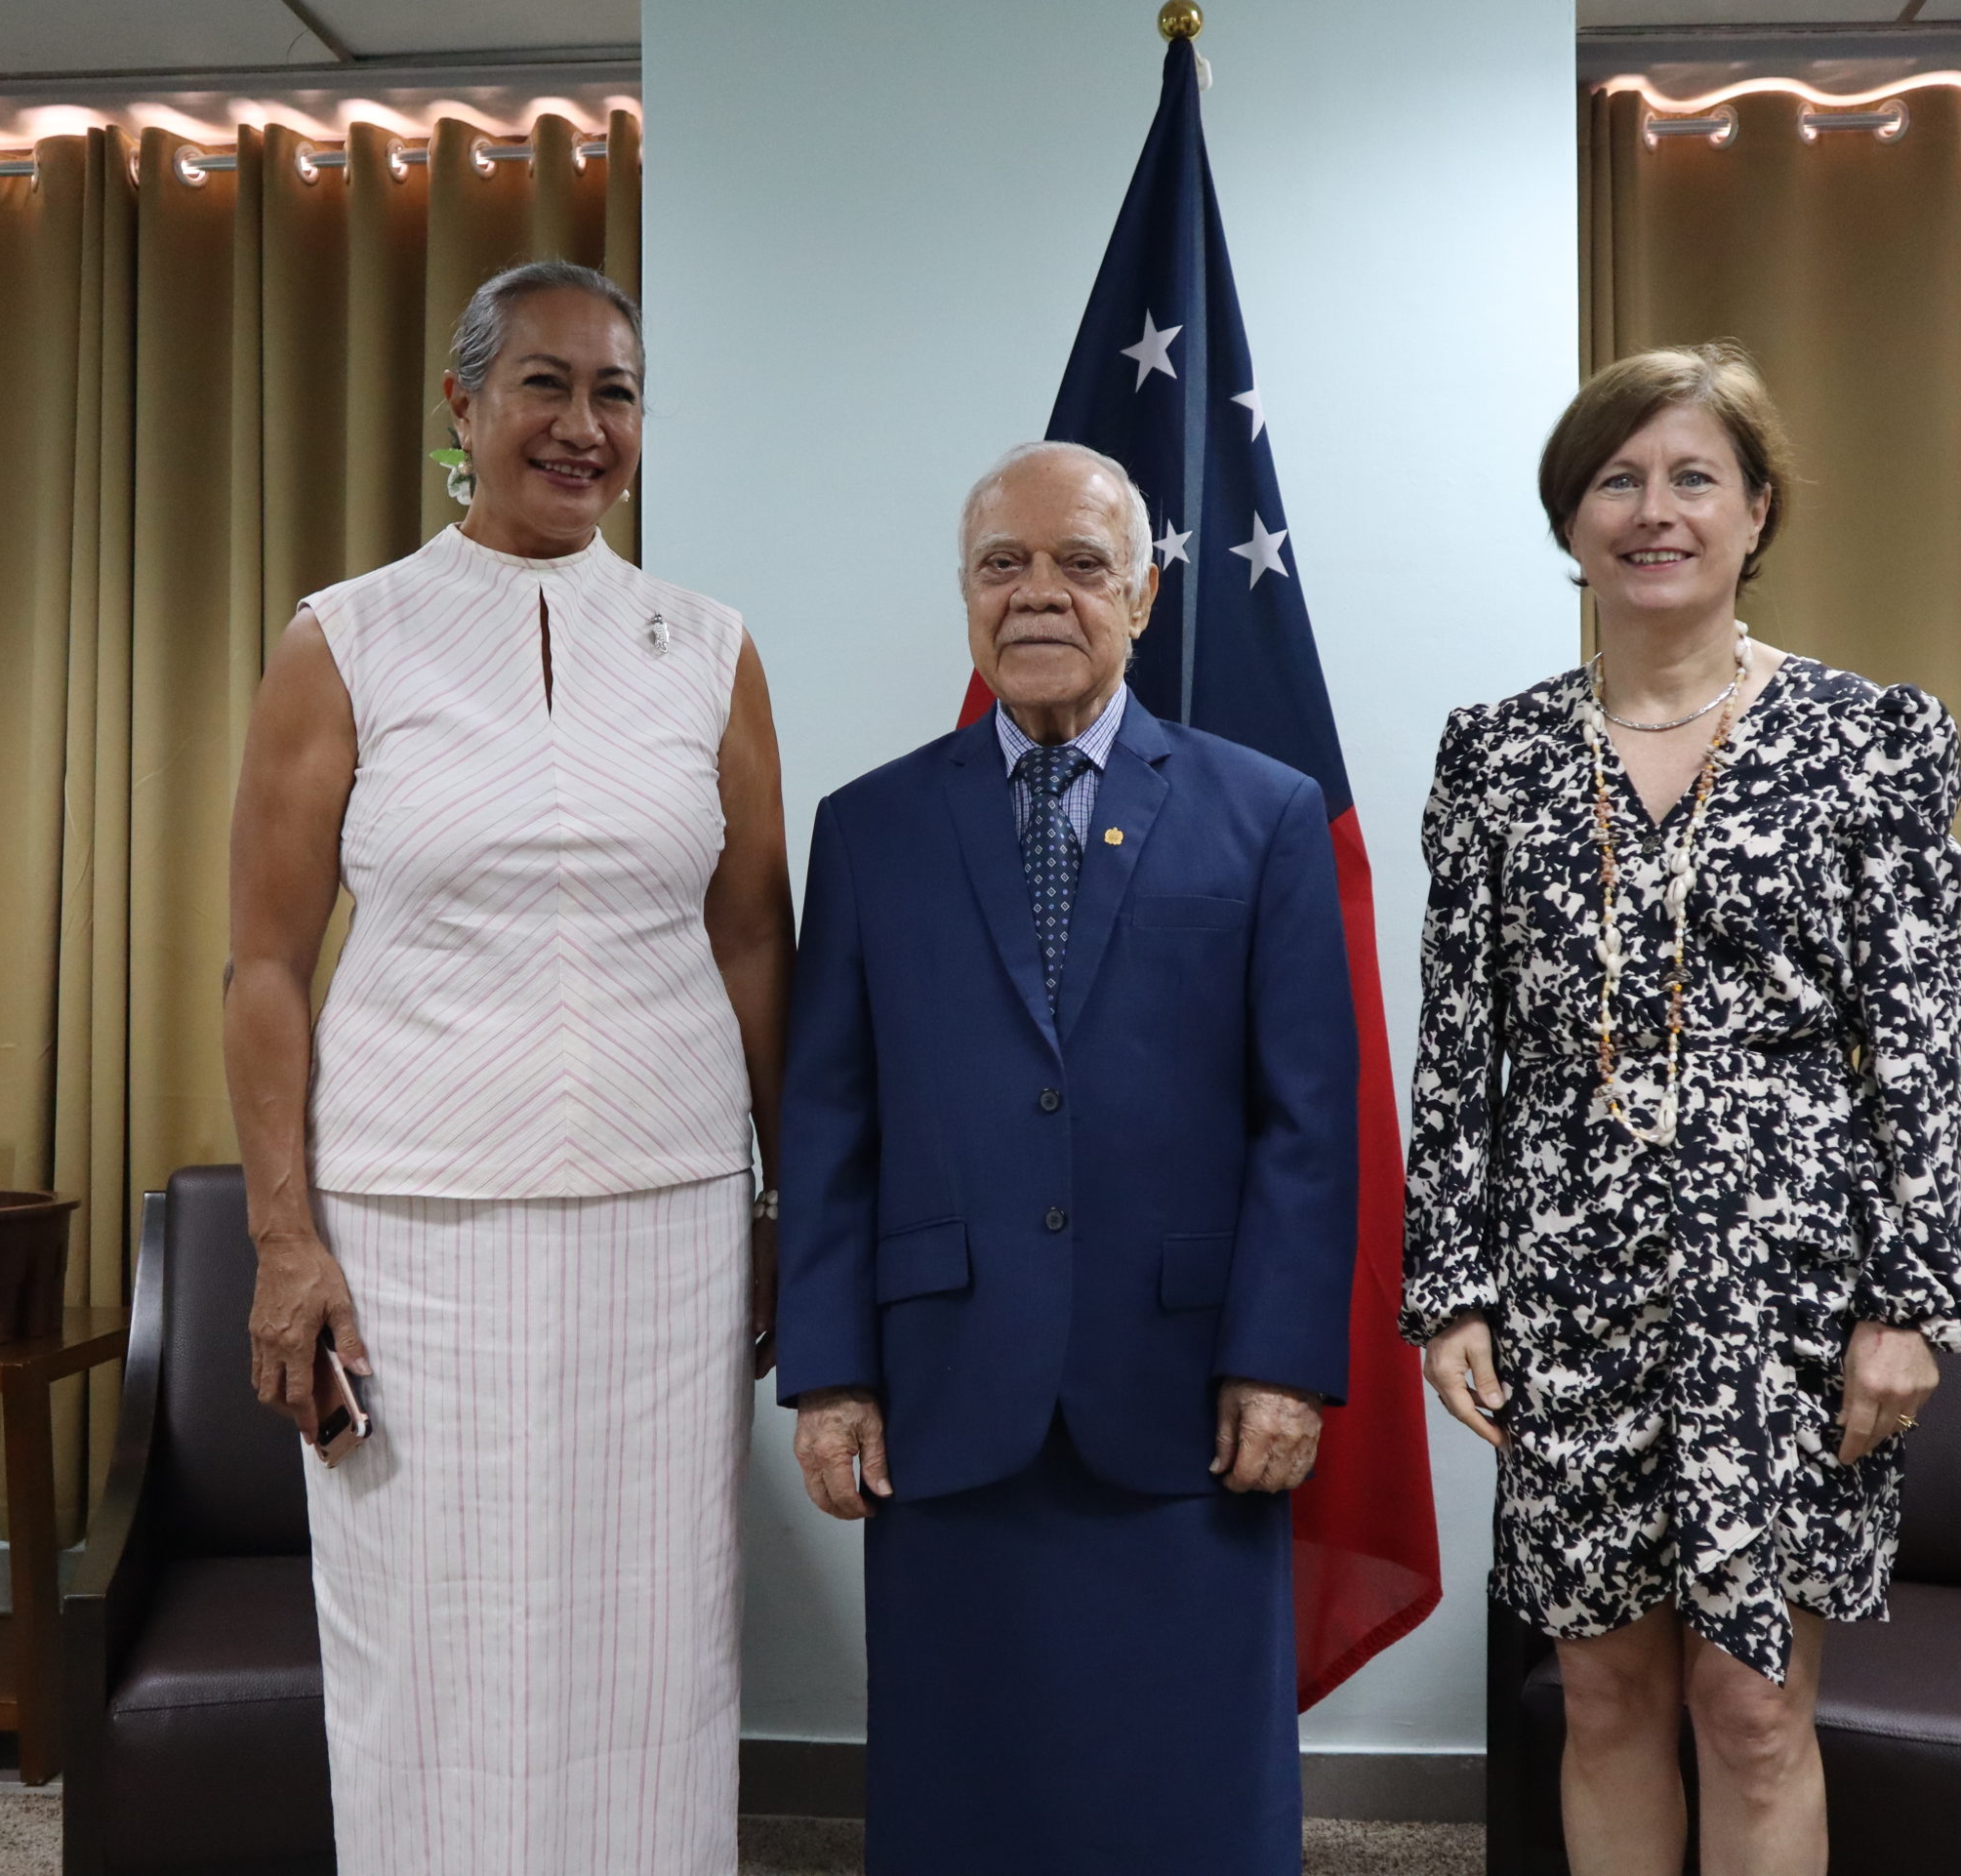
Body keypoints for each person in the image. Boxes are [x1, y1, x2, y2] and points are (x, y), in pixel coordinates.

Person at [223, 259, 793, 1876]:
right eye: (544, 384)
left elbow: (756, 945)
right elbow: (263, 965)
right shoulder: (347, 638)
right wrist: (285, 1242)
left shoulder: (710, 646)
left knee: (655, 1632)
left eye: (614, 392)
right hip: (408, 1223)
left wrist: (794, 1196)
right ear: (461, 409)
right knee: (428, 1630)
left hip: (667, 1214)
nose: (582, 424)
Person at [1405, 342, 1961, 1876]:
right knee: (1599, 1693)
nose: (1653, 511)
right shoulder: (1496, 757)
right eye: (1616, 479)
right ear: (1570, 518)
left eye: (1693, 478)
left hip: (1782, 1293)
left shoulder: (1875, 741)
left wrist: (1912, 1301)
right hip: (1566, 1290)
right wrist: (1452, 1282)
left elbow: (1920, 1045)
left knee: (1753, 1702)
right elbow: (1461, 1043)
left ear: (1757, 511)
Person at [774, 440, 1360, 1876]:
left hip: (1183, 1394)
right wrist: (832, 1374)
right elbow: (831, 1117)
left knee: (1184, 1795)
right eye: (1002, 565)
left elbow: (1307, 1115)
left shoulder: (1267, 814)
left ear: (1144, 594)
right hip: (946, 1387)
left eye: (1081, 564)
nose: (1039, 594)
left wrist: (1284, 1356)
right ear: (965, 595)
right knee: (964, 1786)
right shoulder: (869, 827)